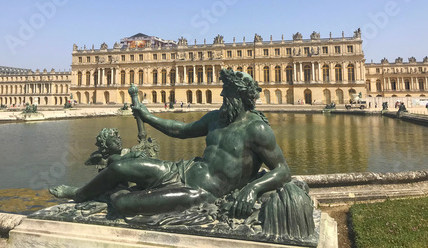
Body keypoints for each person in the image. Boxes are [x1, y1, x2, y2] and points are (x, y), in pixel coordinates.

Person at [50, 69, 290, 218]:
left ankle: (130, 196)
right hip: (182, 170)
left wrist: (252, 188)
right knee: (119, 167)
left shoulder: (256, 129)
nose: (221, 96)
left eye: (226, 92)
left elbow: (283, 171)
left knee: (122, 202)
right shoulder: (216, 118)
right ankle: (81, 194)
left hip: (199, 193)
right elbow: (180, 130)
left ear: (240, 96)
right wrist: (147, 116)